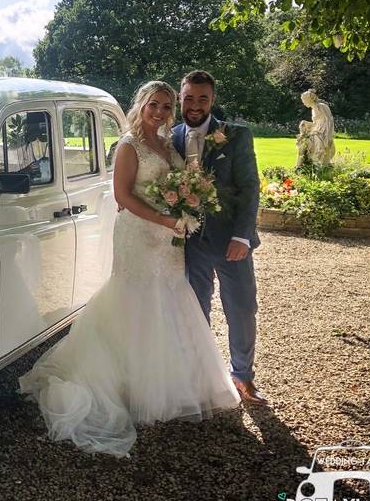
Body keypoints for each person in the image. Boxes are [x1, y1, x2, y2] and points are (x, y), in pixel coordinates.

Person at [18, 80, 240, 458]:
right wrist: (163, 219)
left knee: (171, 297)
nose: (160, 112)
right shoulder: (129, 145)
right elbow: (122, 195)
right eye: (154, 105)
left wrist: (183, 210)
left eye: (167, 107)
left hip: (169, 239)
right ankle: (133, 387)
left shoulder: (167, 145)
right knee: (136, 298)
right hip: (140, 234)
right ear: (141, 105)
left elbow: (178, 185)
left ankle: (173, 383)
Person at [171, 70, 267, 406]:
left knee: (241, 308)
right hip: (190, 244)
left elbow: (249, 187)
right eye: (189, 98)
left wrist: (243, 236)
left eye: (203, 99)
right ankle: (204, 377)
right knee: (196, 310)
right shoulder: (170, 138)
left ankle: (243, 377)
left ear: (212, 100)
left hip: (231, 243)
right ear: (180, 98)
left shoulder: (235, 135)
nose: (195, 105)